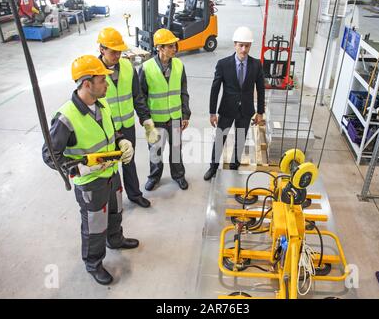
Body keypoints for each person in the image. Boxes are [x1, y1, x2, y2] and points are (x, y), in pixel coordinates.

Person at [42, 55, 139, 285]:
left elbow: (110, 132)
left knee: (115, 211)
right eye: (102, 80)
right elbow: (49, 155)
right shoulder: (67, 118)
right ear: (87, 84)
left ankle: (115, 239)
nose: (107, 84)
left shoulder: (102, 104)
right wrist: (77, 168)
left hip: (110, 174)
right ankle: (93, 263)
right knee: (95, 226)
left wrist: (121, 141)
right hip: (90, 183)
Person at [97, 27, 159, 208]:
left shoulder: (127, 66)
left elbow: (137, 96)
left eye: (119, 51)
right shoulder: (94, 72)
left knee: (128, 161)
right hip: (106, 130)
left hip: (127, 125)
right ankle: (111, 203)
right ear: (102, 49)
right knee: (108, 167)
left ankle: (134, 194)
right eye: (113, 51)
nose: (117, 55)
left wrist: (146, 121)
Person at [204, 26, 265, 181]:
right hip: (227, 108)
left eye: (247, 46)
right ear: (235, 44)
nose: (244, 50)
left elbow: (261, 89)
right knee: (220, 138)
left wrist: (260, 112)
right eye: (241, 45)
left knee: (240, 138)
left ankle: (234, 165)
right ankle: (213, 167)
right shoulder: (223, 64)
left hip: (245, 110)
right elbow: (215, 89)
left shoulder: (256, 64)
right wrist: (212, 113)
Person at [138, 28, 191, 191]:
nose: (174, 48)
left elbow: (183, 91)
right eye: (170, 46)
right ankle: (154, 177)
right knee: (155, 151)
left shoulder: (179, 65)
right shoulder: (146, 68)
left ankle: (179, 175)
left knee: (176, 149)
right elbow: (141, 96)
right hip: (155, 119)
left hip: (175, 117)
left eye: (174, 45)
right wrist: (145, 120)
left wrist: (185, 114)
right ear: (159, 48)